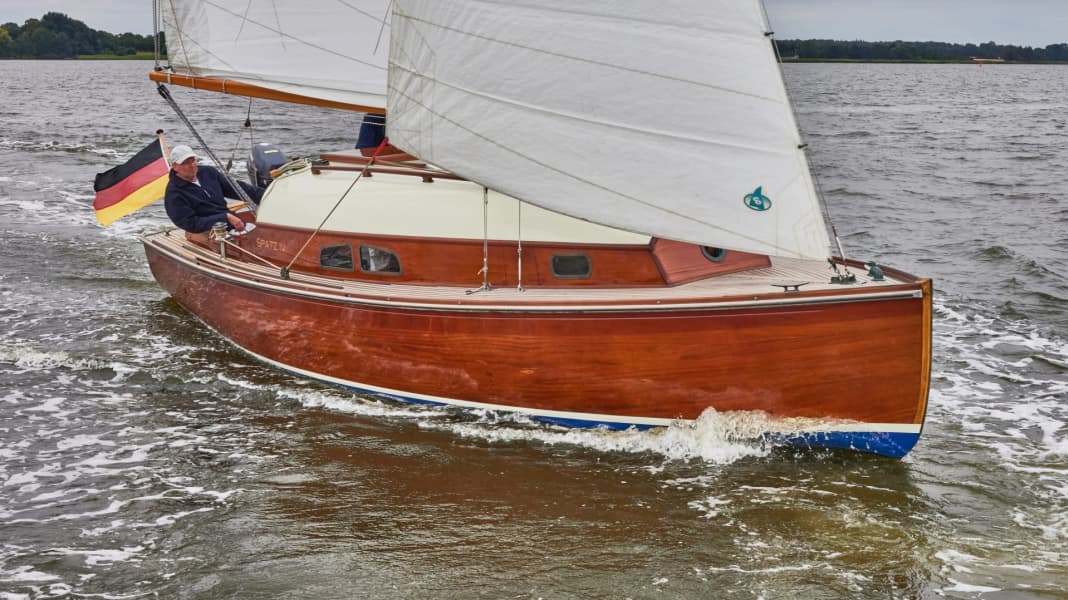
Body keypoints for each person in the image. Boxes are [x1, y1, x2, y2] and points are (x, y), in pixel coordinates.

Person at [164, 144, 264, 234]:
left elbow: (237, 189)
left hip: (233, 224)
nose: (192, 165)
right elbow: (191, 224)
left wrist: (266, 195)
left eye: (193, 160)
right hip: (208, 234)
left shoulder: (208, 173)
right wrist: (225, 218)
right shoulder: (174, 193)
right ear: (174, 166)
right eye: (185, 163)